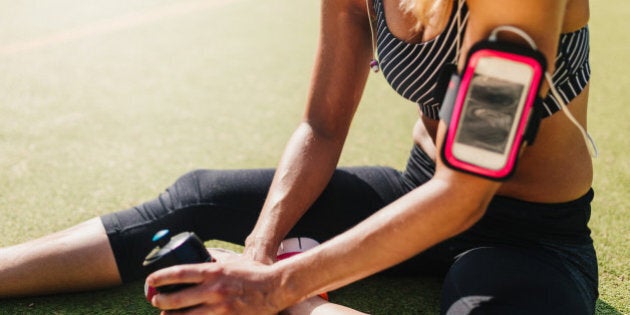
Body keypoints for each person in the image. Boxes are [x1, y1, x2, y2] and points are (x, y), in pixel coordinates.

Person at [0, 0, 597, 314]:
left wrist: (277, 290)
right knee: (200, 198)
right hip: (416, 191)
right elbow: (322, 124)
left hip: (529, 238)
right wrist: (262, 249)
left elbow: (466, 192)